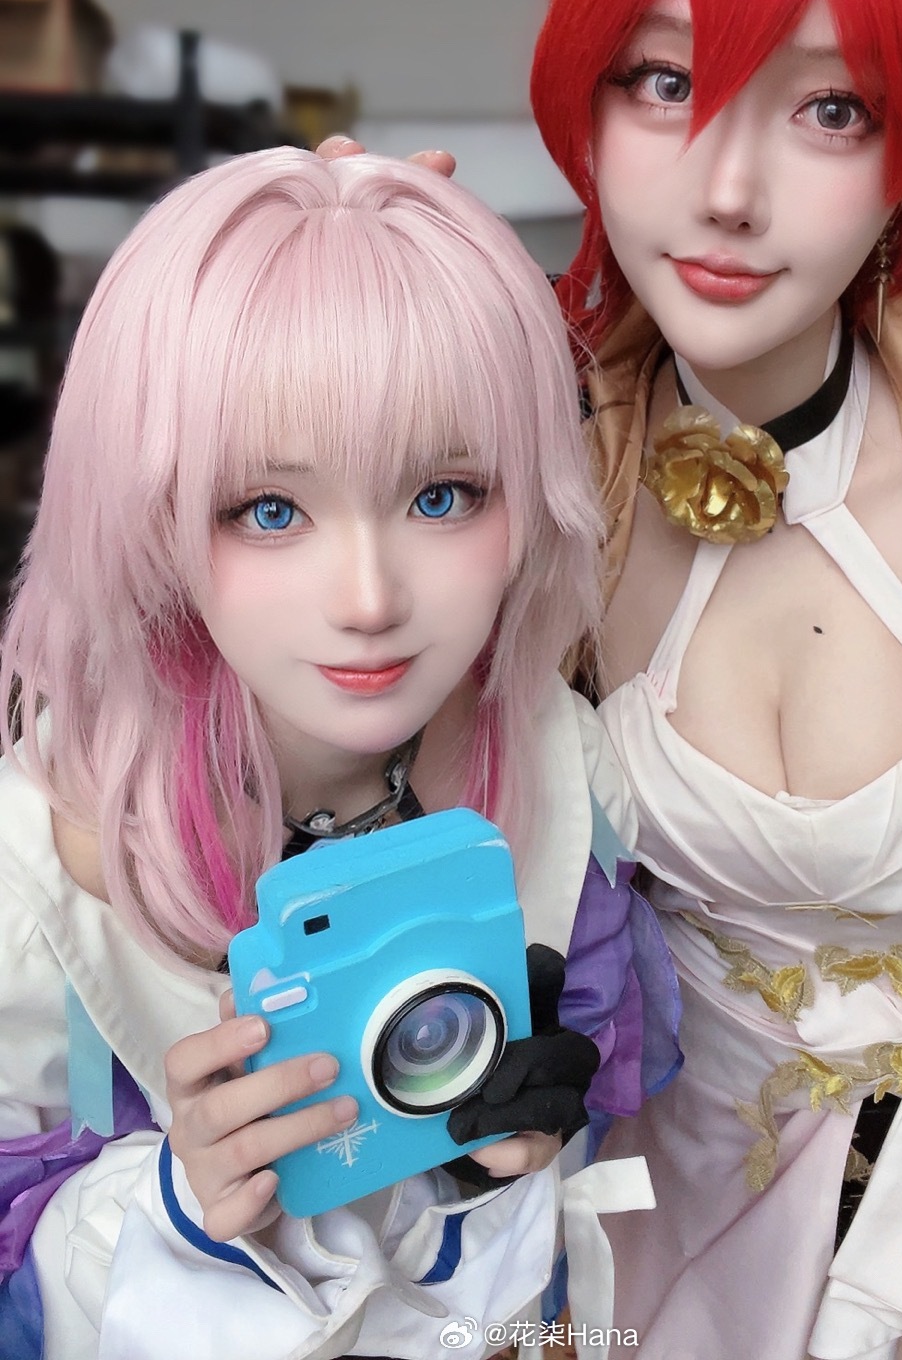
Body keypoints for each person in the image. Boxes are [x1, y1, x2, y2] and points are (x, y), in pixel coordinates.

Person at [0, 148, 678, 1360]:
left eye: (443, 495)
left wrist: (509, 1166)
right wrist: (176, 1209)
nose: (369, 601)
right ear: (146, 515)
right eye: (269, 510)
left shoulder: (560, 768)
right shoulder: (32, 880)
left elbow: (576, 1257)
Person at [525, 0, 902, 1357]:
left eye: (830, 107)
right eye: (664, 81)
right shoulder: (509, 476)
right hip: (637, 1258)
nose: (726, 191)